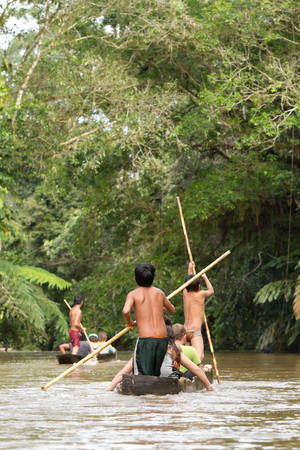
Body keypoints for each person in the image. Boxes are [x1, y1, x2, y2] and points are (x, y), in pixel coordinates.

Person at [106, 325, 213, 391]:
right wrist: (209, 386)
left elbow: (122, 373)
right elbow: (196, 369)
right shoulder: (172, 350)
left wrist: (110, 388)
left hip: (143, 382)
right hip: (167, 383)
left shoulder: (141, 350)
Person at [122, 262, 175, 376]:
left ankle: (146, 393)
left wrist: (130, 323)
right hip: (162, 339)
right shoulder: (160, 293)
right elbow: (172, 310)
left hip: (146, 339)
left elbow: (126, 311)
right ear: (152, 277)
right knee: (155, 374)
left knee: (143, 374)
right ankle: (154, 393)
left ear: (136, 279)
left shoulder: (133, 294)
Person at [183, 262, 214, 361]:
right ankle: (193, 373)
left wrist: (190, 268)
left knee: (187, 357)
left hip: (184, 331)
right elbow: (211, 291)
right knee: (199, 357)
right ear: (198, 286)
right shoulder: (201, 294)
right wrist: (205, 277)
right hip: (195, 331)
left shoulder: (185, 293)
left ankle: (187, 374)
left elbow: (188, 282)